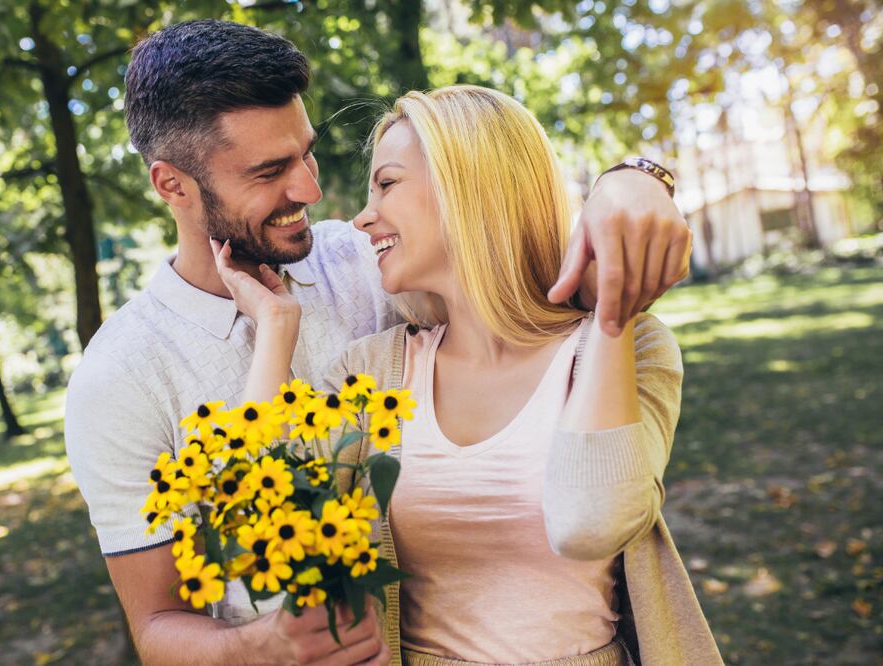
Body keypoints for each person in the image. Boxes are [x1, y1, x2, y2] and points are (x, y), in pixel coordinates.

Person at [64, 20, 693, 666]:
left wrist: (636, 178)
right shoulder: (120, 377)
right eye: (270, 171)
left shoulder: (366, 259)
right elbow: (156, 625)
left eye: (306, 153)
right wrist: (265, 646)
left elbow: (512, 250)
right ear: (172, 184)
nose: (311, 191)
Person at [213, 85, 722, 665]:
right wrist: (276, 327)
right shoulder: (372, 373)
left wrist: (612, 300)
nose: (362, 217)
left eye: (387, 184)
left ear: (467, 186)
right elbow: (257, 529)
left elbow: (591, 523)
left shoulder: (629, 347)